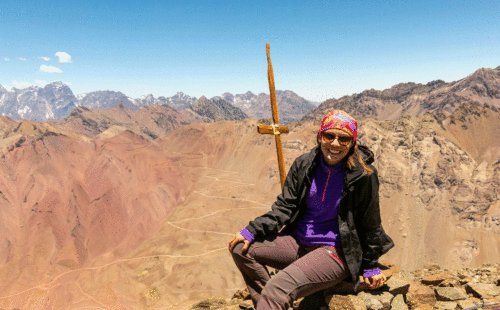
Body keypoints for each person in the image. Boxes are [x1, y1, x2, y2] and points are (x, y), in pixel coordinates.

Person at [228, 110, 394, 310]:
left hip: (335, 250)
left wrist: (370, 265)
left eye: (343, 139)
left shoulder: (363, 175)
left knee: (277, 289)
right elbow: (284, 206)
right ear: (320, 136)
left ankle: (272, 301)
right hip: (299, 242)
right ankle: (269, 304)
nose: (334, 144)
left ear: (352, 142)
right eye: (329, 136)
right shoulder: (304, 164)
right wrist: (253, 230)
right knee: (241, 249)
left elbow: (371, 222)